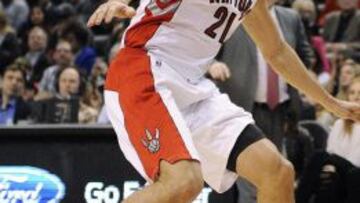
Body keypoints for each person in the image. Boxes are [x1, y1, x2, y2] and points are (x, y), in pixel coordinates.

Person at [87, 1, 360, 203]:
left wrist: (330, 102)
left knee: (277, 172)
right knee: (184, 182)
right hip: (144, 70)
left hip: (193, 84)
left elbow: (276, 51)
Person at [327, 76, 360, 168]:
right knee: (319, 156)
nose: (356, 97)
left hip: (356, 172)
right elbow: (331, 151)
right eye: (352, 93)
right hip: (338, 169)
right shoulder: (339, 123)